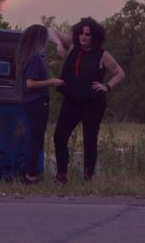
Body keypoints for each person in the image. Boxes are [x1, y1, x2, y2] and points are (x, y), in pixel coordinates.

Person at [50, 17, 125, 183]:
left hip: (93, 102)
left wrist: (107, 86)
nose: (83, 37)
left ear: (94, 37)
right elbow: (50, 31)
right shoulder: (72, 46)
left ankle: (88, 176)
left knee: (89, 138)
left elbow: (120, 72)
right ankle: (61, 175)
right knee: (60, 136)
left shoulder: (102, 55)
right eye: (81, 34)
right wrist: (58, 45)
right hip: (72, 100)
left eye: (88, 35)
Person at [15, 24, 65, 184]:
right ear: (39, 39)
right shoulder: (36, 58)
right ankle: (31, 175)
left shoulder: (26, 56)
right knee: (37, 138)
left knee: (34, 137)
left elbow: (50, 30)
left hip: (28, 102)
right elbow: (30, 83)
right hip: (37, 102)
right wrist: (52, 82)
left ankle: (31, 173)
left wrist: (58, 42)